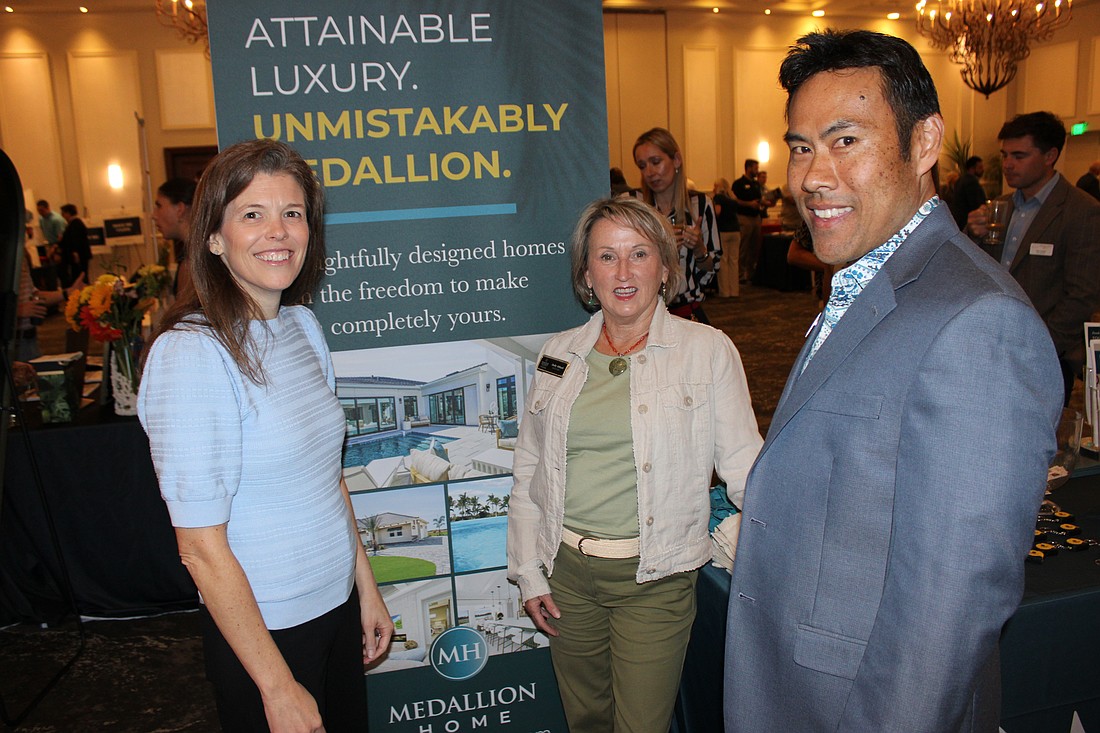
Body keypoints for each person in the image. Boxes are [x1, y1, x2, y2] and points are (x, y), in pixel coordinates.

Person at [724, 29, 1062, 732]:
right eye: (801, 145)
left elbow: (944, 615)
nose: (812, 176)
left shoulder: (978, 321)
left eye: (845, 140)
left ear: (925, 142)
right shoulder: (872, 279)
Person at [138, 139, 392, 733]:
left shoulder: (301, 326)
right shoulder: (192, 355)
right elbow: (200, 547)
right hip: (267, 635)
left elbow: (326, 477)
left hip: (336, 606)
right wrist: (277, 686)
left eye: (293, 213)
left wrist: (366, 588)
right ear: (214, 236)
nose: (278, 232)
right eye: (253, 214)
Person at [508, 196, 761, 733]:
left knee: (641, 725)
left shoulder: (707, 351)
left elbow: (744, 466)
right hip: (567, 575)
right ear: (586, 272)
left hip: (656, 578)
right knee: (587, 720)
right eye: (606, 256)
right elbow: (529, 469)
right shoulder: (558, 355)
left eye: (639, 254)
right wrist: (528, 572)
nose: (623, 272)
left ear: (665, 268)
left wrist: (786, 549)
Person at [967, 112, 1100, 405]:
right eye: (1004, 155)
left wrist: (1038, 347)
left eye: (1019, 155)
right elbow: (972, 273)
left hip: (1044, 357)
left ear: (1050, 155)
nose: (1007, 165)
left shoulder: (1081, 211)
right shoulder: (998, 208)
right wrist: (971, 234)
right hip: (989, 348)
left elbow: (1083, 295)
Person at [631, 127, 721, 323]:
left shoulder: (701, 205)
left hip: (688, 313)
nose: (650, 172)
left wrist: (699, 249)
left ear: (676, 160)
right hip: (644, 317)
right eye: (642, 166)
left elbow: (711, 270)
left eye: (656, 162)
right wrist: (659, 245)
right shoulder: (633, 206)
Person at [152, 177, 197, 299]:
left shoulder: (194, 263)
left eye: (159, 206)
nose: (154, 215)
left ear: (180, 209)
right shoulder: (194, 253)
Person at [732, 159, 763, 282]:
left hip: (756, 218)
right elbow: (735, 200)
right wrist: (749, 204)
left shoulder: (756, 184)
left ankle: (751, 273)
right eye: (755, 168)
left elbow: (758, 199)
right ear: (748, 168)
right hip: (744, 218)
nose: (757, 171)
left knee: (754, 247)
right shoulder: (738, 184)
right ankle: (740, 274)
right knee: (743, 246)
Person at [711, 177, 741, 297]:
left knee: (723, 261)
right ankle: (735, 290)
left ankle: (725, 292)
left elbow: (717, 212)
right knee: (734, 261)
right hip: (735, 230)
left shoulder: (719, 198)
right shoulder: (733, 199)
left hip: (723, 231)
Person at [948, 154, 987, 229]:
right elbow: (975, 205)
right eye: (980, 167)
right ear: (972, 169)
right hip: (968, 223)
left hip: (958, 223)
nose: (983, 170)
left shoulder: (960, 180)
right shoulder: (971, 182)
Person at [58, 203, 91, 287]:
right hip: (77, 255)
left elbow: (76, 240)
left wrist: (75, 253)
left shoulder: (75, 224)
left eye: (63, 213)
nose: (62, 216)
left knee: (80, 276)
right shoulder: (73, 224)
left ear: (68, 213)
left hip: (79, 256)